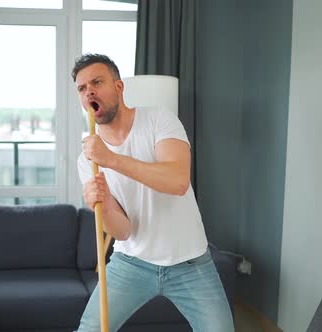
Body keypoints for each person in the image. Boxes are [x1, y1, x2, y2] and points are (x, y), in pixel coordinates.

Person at [73, 53, 234, 332]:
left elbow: (177, 180)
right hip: (131, 263)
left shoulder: (159, 119)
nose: (89, 92)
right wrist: (101, 206)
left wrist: (112, 159)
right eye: (82, 88)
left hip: (191, 262)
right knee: (90, 328)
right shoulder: (87, 160)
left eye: (97, 82)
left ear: (119, 87)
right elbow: (122, 231)